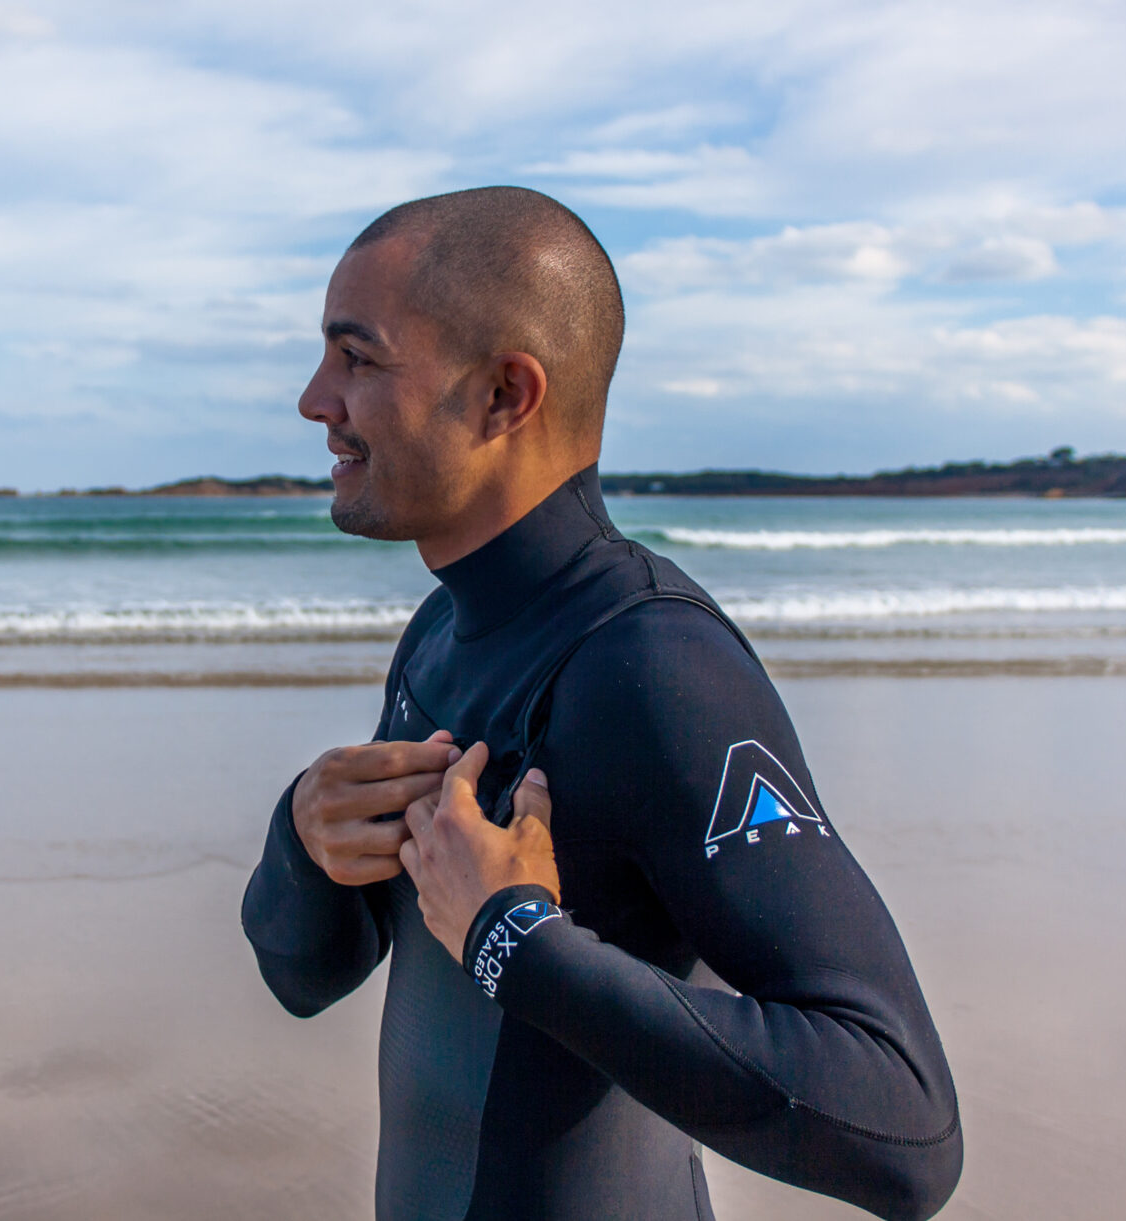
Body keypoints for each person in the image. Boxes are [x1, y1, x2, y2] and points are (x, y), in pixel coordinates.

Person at [240, 187, 962, 1221]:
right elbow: (303, 976)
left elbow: (905, 1126)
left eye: (356, 358)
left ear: (503, 397)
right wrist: (303, 837)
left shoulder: (655, 665)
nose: (315, 401)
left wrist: (517, 941)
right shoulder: (441, 634)